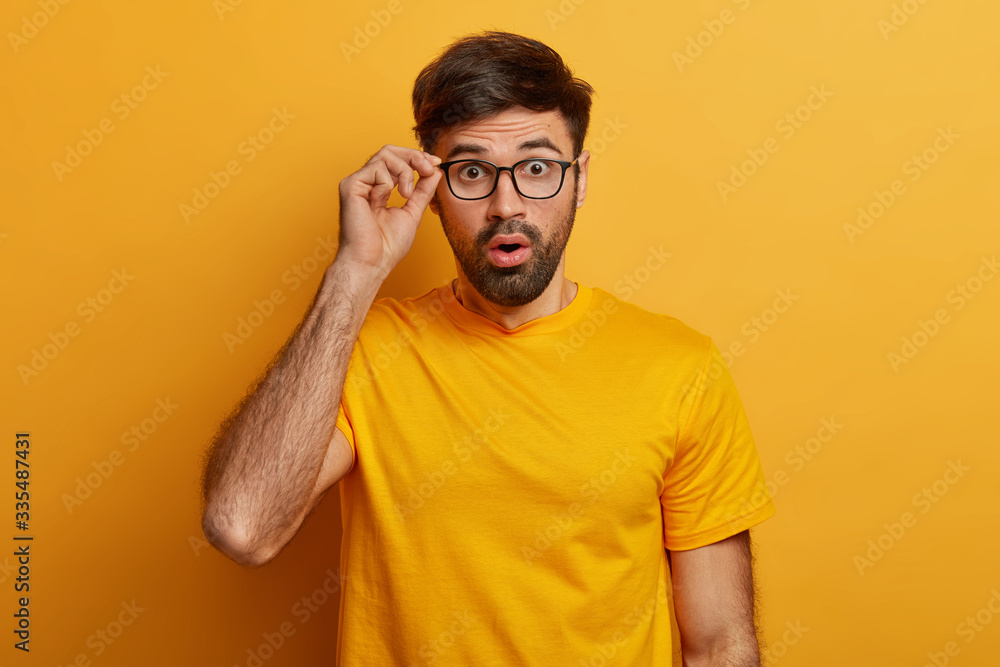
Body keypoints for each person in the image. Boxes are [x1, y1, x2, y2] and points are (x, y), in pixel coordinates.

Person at [200, 29, 776, 666]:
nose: (507, 205)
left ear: (580, 179)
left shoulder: (680, 368)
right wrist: (353, 274)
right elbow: (242, 528)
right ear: (431, 188)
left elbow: (720, 644)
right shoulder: (363, 350)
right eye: (472, 171)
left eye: (537, 168)